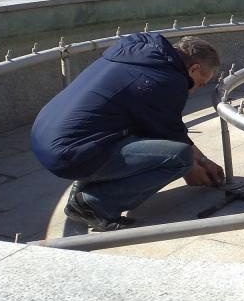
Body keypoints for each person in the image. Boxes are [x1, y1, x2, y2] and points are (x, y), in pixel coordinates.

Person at [31, 33, 225, 232]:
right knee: (180, 158)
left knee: (132, 132)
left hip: (44, 135)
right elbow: (169, 136)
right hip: (69, 155)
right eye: (200, 83)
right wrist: (191, 167)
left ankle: (84, 187)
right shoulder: (167, 80)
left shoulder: (137, 51)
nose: (194, 89)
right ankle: (93, 205)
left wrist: (202, 161)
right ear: (194, 69)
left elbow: (166, 127)